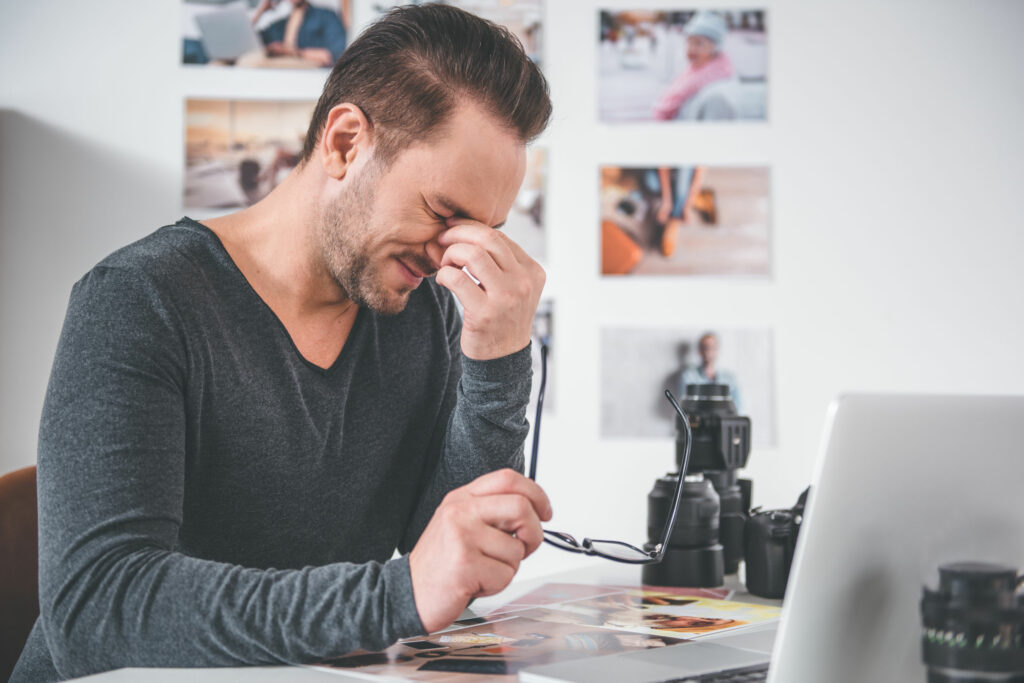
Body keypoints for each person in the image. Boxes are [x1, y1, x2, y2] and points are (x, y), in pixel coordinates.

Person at [11, 5, 553, 681]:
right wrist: (395, 592)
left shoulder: (422, 311)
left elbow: (442, 563)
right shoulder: (138, 299)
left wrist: (498, 355)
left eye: (486, 230)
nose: (454, 257)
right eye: (445, 214)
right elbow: (99, 614)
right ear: (346, 142)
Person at [652, 11, 736, 121]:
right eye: (689, 42)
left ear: (715, 47)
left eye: (699, 43)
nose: (691, 49)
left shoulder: (716, 93)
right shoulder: (692, 73)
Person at [251, 0, 349, 68]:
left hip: (309, 77)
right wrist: (261, 10)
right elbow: (251, 42)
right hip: (279, 77)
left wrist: (292, 52)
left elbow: (333, 55)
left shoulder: (326, 16)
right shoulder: (280, 25)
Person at [681, 332, 743, 412]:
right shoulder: (688, 376)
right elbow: (684, 407)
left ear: (718, 350)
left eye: (712, 348)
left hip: (723, 421)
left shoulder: (730, 378)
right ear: (699, 350)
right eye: (705, 347)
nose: (709, 352)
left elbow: (738, 407)